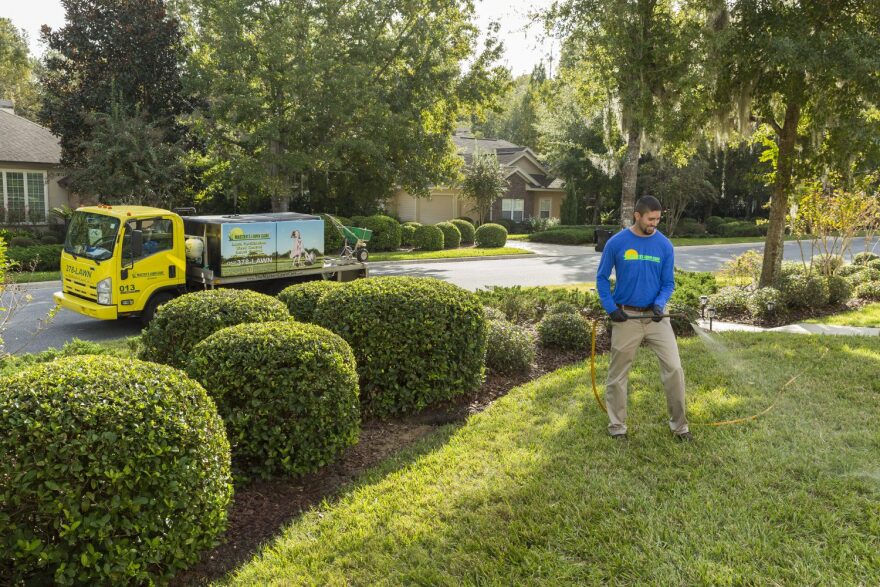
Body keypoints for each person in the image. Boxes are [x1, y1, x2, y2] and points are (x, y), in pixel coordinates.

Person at [595, 195, 692, 442]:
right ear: (637, 216)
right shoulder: (617, 243)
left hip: (656, 318)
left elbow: (668, 282)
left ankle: (680, 427)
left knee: (674, 369)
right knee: (618, 375)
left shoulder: (664, 245)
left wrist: (660, 305)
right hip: (626, 316)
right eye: (651, 219)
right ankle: (617, 427)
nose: (655, 223)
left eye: (658, 219)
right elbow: (602, 278)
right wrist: (610, 308)